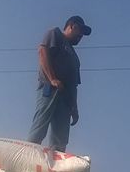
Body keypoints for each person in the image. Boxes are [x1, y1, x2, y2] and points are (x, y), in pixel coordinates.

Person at [27, 15, 91, 152]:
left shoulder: (75, 58)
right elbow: (42, 51)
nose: (81, 36)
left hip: (65, 99)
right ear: (72, 26)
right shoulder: (55, 34)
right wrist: (52, 79)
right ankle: (29, 153)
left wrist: (74, 108)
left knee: (60, 139)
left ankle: (55, 165)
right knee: (40, 125)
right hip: (50, 89)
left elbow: (74, 85)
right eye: (80, 31)